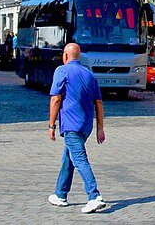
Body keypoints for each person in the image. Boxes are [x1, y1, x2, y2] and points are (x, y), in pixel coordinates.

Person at [47, 43, 108, 214]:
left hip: (71, 125)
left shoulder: (61, 71)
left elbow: (55, 99)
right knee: (69, 158)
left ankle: (94, 196)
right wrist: (100, 128)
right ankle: (60, 194)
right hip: (86, 126)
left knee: (79, 159)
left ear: (65, 56)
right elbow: (99, 102)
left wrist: (51, 125)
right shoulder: (89, 74)